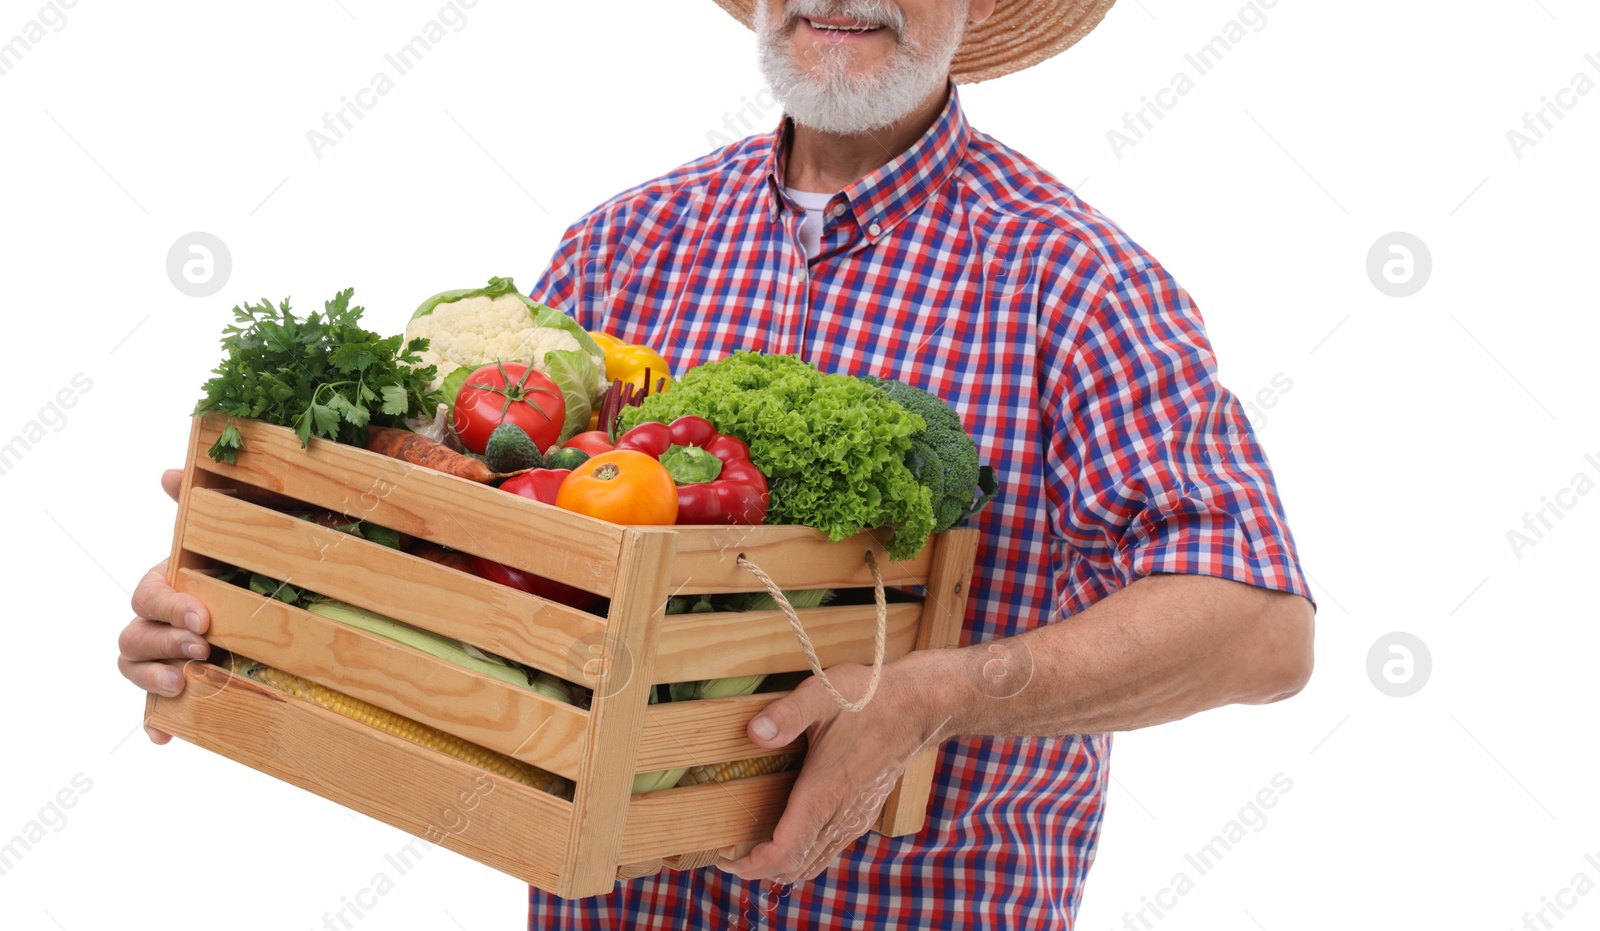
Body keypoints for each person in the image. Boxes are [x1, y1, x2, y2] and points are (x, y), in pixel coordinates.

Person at [119, 0, 1317, 926]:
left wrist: (941, 694)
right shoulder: (627, 243)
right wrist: (247, 603)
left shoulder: (1076, 284)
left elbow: (1260, 627)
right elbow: (488, 579)